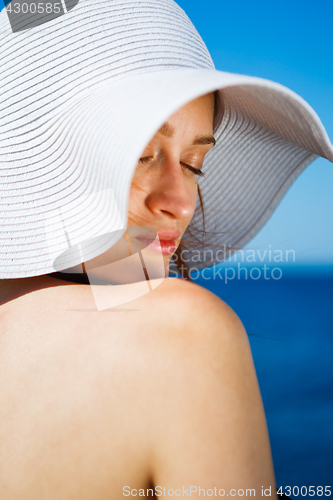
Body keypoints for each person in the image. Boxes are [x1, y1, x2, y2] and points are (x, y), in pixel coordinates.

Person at [0, 1, 332, 499]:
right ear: (35, 161)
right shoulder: (179, 329)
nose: (180, 202)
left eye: (196, 164)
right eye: (140, 155)